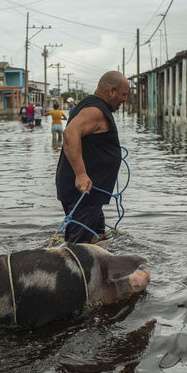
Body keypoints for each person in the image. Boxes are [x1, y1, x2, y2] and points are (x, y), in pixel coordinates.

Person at [55, 71, 130, 244]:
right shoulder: (95, 110)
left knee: (97, 240)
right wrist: (81, 174)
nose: (125, 99)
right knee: (79, 249)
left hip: (89, 194)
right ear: (111, 91)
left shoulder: (90, 106)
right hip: (83, 193)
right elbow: (70, 133)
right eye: (123, 94)